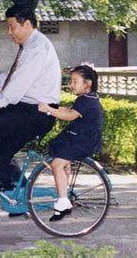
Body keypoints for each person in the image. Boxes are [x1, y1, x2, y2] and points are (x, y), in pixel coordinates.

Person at [0, 4, 62, 192]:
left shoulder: (38, 47)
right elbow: (14, 75)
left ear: (27, 24)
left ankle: (1, 181)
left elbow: (19, 84)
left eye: (12, 27)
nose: (9, 32)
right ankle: (18, 193)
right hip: (28, 108)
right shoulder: (30, 45)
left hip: (38, 112)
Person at [38, 65, 104, 222]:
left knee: (56, 165)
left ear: (87, 84)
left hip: (82, 140)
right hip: (78, 136)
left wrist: (49, 110)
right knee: (63, 162)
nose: (71, 84)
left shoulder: (87, 100)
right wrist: (52, 107)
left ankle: (62, 202)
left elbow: (69, 115)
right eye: (70, 81)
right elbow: (68, 110)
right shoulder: (88, 98)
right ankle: (64, 195)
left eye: (75, 81)